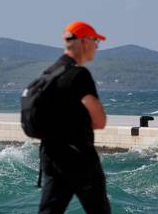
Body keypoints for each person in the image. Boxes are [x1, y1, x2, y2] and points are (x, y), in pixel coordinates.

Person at [38, 21, 111, 214]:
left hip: (50, 155)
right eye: (95, 41)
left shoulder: (49, 73)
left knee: (50, 210)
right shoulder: (79, 75)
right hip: (79, 156)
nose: (96, 46)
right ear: (84, 42)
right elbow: (100, 121)